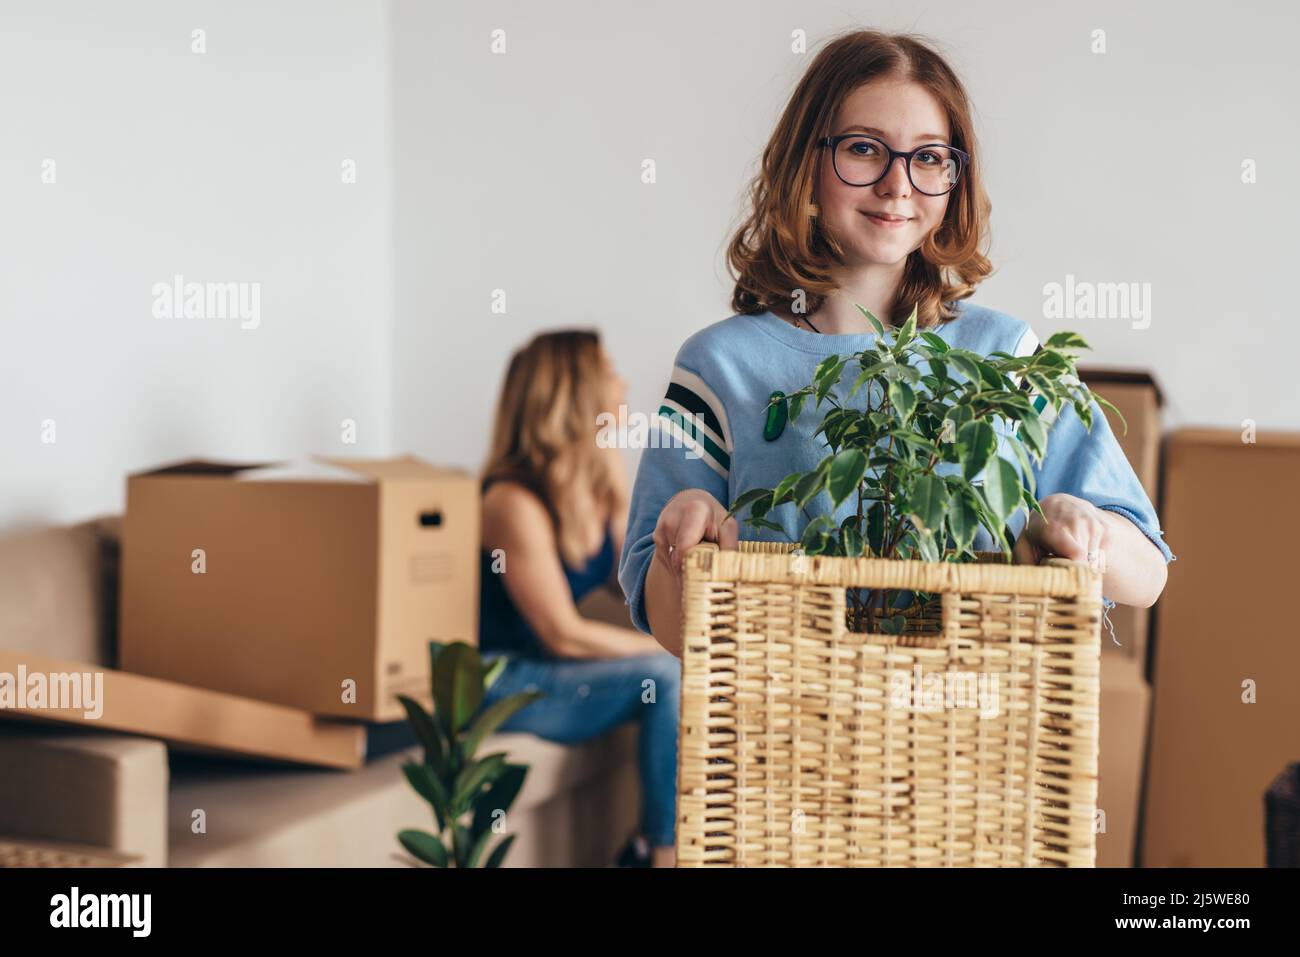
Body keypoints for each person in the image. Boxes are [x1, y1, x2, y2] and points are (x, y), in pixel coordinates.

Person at [617, 28, 1176, 657]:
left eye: (930, 156)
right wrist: (681, 537)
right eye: (863, 149)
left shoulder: (1005, 356)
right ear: (806, 162)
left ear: (954, 177)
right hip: (782, 732)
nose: (897, 183)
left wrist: (1086, 528)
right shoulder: (717, 366)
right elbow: (668, 628)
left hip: (972, 734)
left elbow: (1148, 575)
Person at [476, 329, 680, 867]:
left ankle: (649, 847)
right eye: (610, 371)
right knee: (666, 677)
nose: (624, 384)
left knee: (681, 675)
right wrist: (668, 655)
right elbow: (563, 635)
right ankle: (665, 852)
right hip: (497, 679)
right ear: (576, 393)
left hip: (541, 670)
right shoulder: (510, 501)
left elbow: (629, 585)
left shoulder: (591, 486)